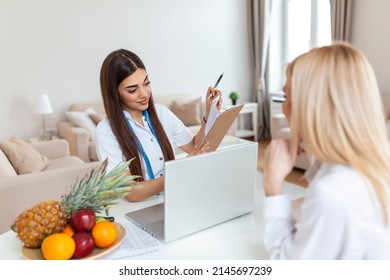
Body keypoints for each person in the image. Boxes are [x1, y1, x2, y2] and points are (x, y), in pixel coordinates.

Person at [263, 42, 390, 259]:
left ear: (309, 107)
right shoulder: (372, 168)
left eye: (287, 98)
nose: (284, 108)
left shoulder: (331, 192)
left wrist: (272, 184)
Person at [96, 49, 222, 202]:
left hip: (173, 199)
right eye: (132, 89)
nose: (144, 93)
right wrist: (178, 171)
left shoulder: (162, 113)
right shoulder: (105, 131)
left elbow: (195, 146)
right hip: (138, 210)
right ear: (114, 93)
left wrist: (210, 113)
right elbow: (131, 193)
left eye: (146, 83)